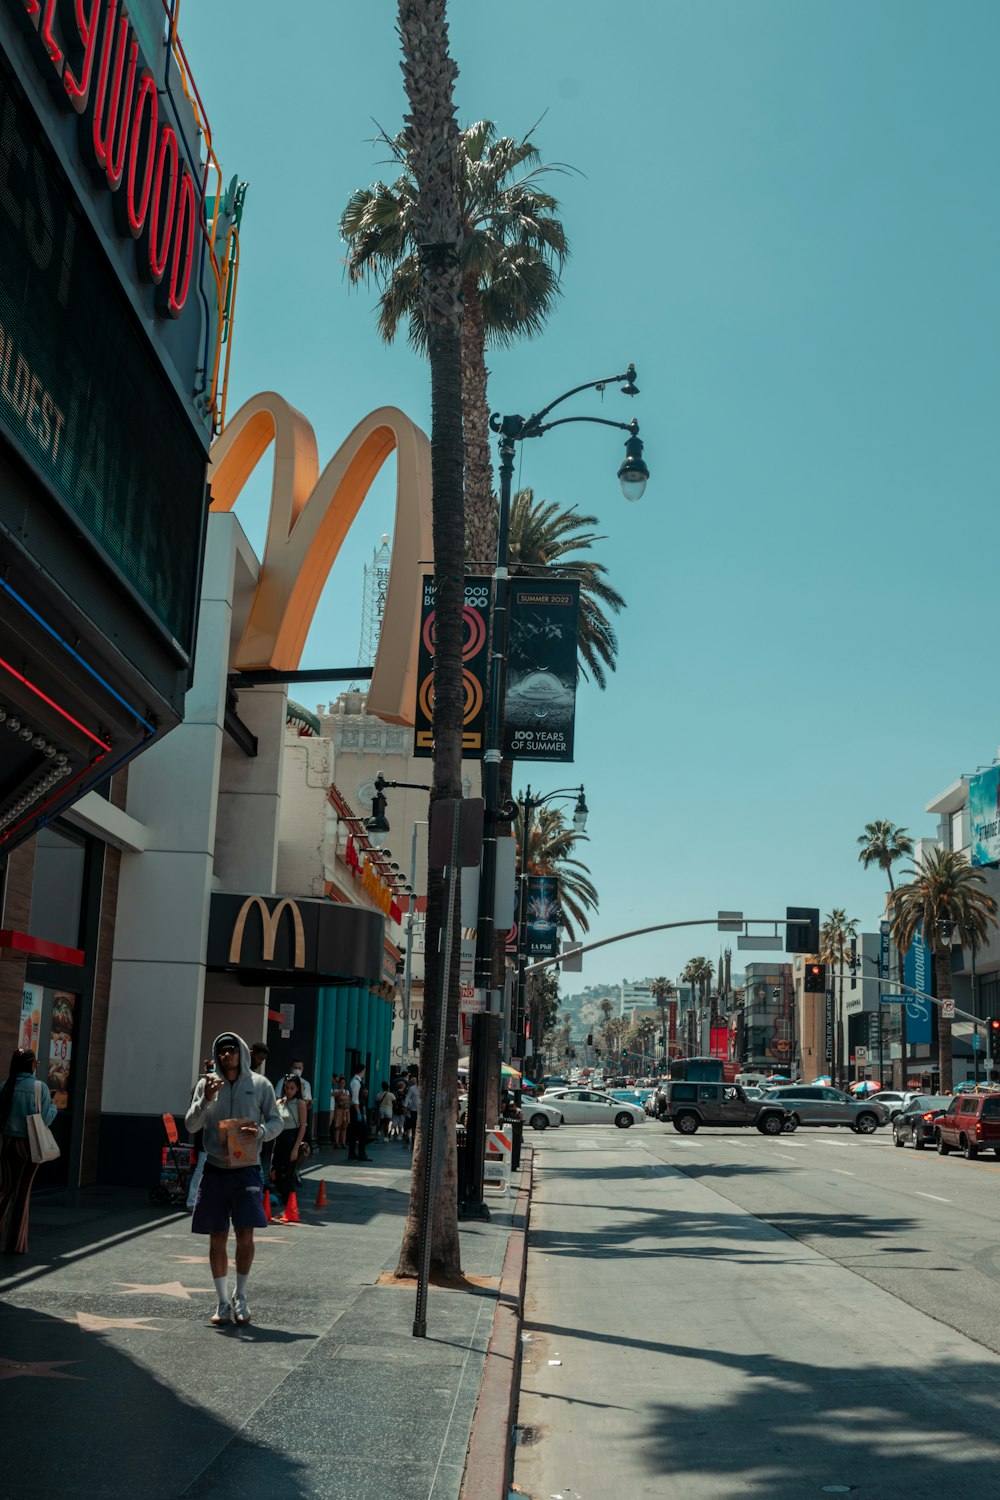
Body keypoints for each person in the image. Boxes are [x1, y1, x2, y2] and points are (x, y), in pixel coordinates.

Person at [185, 1033, 282, 1327]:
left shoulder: (260, 1085)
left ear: (242, 1052)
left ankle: (241, 1296)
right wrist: (206, 1099)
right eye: (221, 1051)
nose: (226, 1055)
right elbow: (191, 1123)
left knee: (245, 1235)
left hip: (247, 1168)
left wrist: (262, 1132)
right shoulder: (206, 1084)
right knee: (216, 1236)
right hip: (215, 1168)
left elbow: (277, 1120)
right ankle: (222, 1302)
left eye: (231, 1050)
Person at [0, 1048, 57, 1254]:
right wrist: (54, 1108)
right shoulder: (39, 1088)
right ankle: (16, 1243)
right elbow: (44, 1119)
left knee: (5, 1188)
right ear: (32, 1065)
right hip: (28, 1146)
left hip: (5, 1143)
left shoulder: (5, 1086)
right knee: (22, 1192)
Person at [271, 1073, 308, 1217]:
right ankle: (283, 1198)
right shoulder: (279, 1102)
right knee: (274, 1173)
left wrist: (296, 1148)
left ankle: (289, 1205)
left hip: (292, 1139)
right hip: (279, 1139)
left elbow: (303, 1126)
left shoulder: (300, 1103)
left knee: (288, 1174)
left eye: (292, 1088)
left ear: (297, 1088)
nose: (289, 1091)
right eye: (286, 1088)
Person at [347, 1063, 370, 1161]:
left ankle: (353, 1153)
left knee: (354, 1132)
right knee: (362, 1132)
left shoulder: (357, 1081)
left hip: (357, 1108)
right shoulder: (356, 1082)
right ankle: (361, 1154)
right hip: (356, 1109)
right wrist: (359, 1113)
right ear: (361, 1070)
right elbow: (355, 1099)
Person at [330, 1074, 350, 1149]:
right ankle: (336, 1142)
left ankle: (343, 1142)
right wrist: (344, 1097)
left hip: (346, 1111)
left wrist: (343, 1097)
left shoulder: (347, 1091)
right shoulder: (336, 1090)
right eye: (341, 1083)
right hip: (338, 1111)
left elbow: (348, 1098)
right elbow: (341, 1098)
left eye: (344, 1083)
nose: (342, 1084)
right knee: (337, 1126)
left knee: (344, 1127)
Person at [404, 1073, 420, 1151]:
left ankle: (417, 1138)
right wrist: (405, 1106)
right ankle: (414, 1137)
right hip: (413, 1109)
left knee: (419, 1125)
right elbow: (407, 1097)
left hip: (421, 1110)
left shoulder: (425, 1088)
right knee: (413, 1125)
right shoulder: (412, 1088)